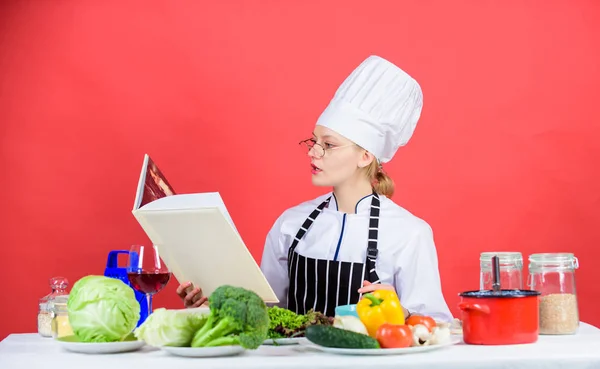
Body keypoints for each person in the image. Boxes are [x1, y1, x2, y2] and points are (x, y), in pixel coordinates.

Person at [177, 55, 453, 322]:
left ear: (365, 156)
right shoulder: (290, 224)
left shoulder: (409, 233)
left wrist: (401, 312)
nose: (313, 152)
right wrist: (214, 303)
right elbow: (267, 312)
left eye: (329, 144)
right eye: (314, 141)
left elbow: (437, 324)